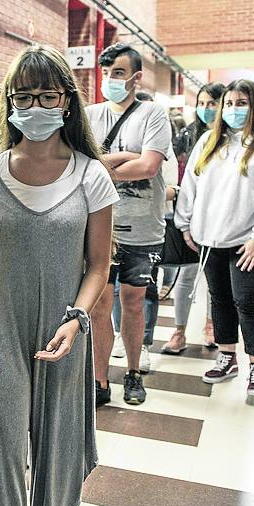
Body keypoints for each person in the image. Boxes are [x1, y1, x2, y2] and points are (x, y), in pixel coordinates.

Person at [0, 45, 116, 506]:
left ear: (67, 102)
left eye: (46, 95)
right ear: (9, 102)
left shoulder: (90, 175)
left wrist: (77, 321)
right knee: (2, 434)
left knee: (58, 434)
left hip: (64, 322)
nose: (35, 106)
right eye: (23, 96)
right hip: (1, 322)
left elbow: (98, 264)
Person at [174, 79, 254, 400]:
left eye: (241, 103)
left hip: (249, 242)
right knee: (220, 298)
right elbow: (190, 187)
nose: (233, 110)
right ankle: (227, 357)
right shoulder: (209, 143)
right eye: (229, 104)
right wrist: (186, 225)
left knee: (248, 301)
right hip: (210, 239)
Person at [86, 43, 172, 406]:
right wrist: (124, 157)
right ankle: (100, 381)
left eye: (118, 73)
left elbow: (149, 166)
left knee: (134, 302)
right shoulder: (89, 115)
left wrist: (103, 164)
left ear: (137, 77)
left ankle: (134, 372)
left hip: (142, 227)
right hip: (99, 226)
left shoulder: (153, 114)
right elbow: (81, 165)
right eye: (106, 73)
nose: (110, 79)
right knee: (100, 304)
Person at [161, 82, 225, 354]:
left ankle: (212, 326)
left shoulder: (230, 139)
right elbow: (175, 171)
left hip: (219, 219)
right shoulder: (186, 136)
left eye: (212, 103)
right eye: (202, 103)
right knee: (186, 275)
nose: (206, 109)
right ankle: (179, 331)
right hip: (186, 215)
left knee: (214, 277)